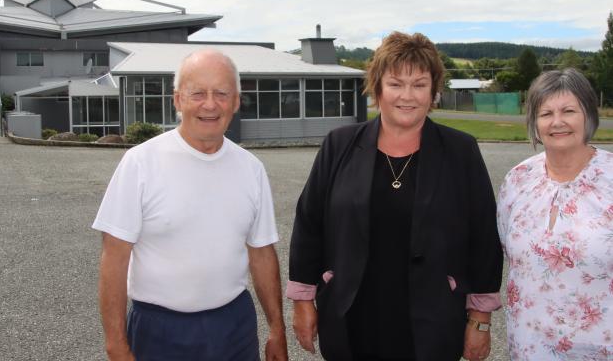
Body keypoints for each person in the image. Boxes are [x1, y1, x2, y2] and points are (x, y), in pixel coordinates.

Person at [287, 32, 503, 361]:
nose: (407, 96)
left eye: (419, 84)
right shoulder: (339, 145)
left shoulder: (461, 150)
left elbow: (484, 237)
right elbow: (308, 225)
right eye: (395, 83)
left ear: (434, 91)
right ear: (378, 88)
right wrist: (303, 301)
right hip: (352, 316)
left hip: (432, 321)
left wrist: (480, 319)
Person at [93, 50, 288, 361]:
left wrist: (278, 330)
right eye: (197, 93)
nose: (209, 104)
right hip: (159, 330)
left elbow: (262, 253)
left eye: (221, 93)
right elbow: (114, 257)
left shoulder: (251, 169)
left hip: (234, 326)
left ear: (236, 101)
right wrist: (116, 344)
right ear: (177, 100)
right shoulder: (140, 163)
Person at [497, 68, 613, 360]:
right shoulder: (517, 180)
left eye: (569, 111)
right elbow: (506, 248)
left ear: (588, 115)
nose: (557, 122)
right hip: (530, 346)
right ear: (535, 123)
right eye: (546, 113)